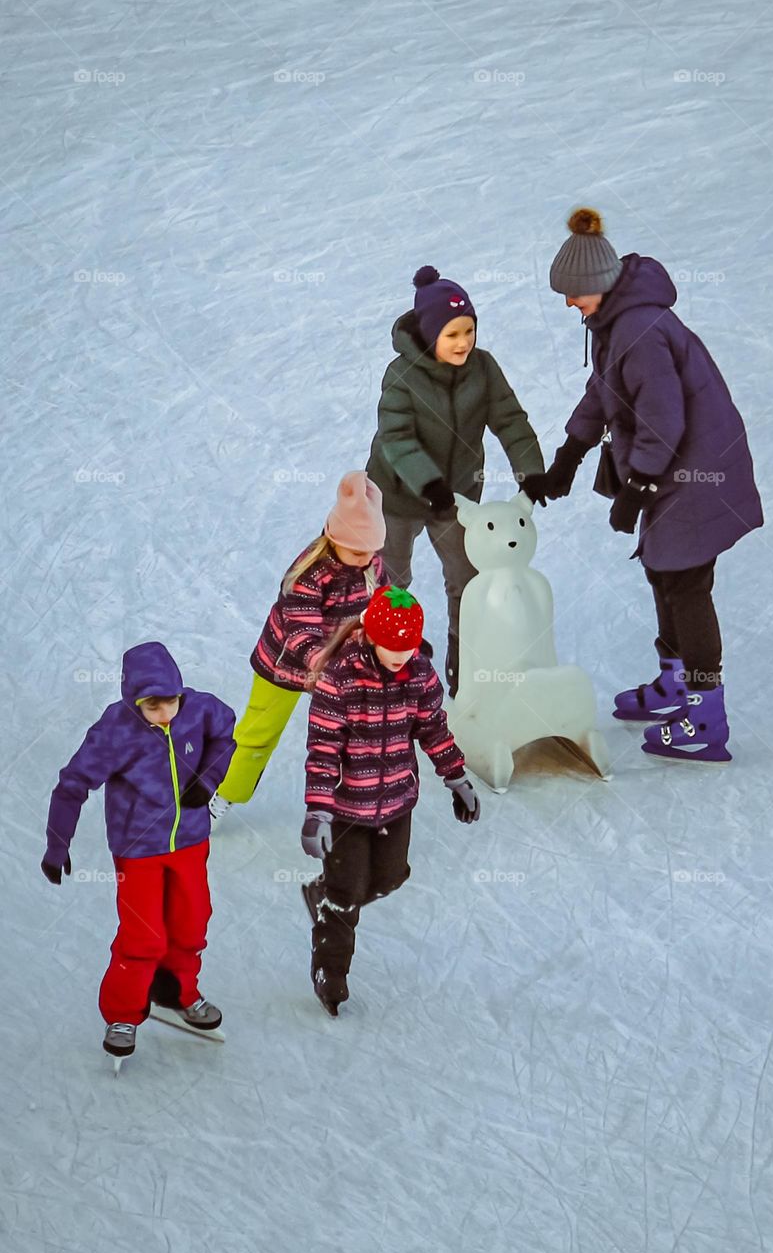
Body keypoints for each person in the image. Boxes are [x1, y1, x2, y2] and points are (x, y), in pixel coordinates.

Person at [526, 208, 763, 762]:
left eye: (573, 294)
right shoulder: (616, 322)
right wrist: (568, 457)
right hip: (676, 465)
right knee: (663, 569)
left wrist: (638, 489)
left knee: (685, 581)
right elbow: (601, 392)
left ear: (597, 287)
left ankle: (706, 716)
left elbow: (664, 420)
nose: (568, 304)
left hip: (698, 468)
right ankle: (676, 684)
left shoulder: (639, 329)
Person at [41, 641, 236, 1059]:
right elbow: (73, 785)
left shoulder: (200, 709)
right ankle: (123, 1013)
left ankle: (178, 992)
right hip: (138, 850)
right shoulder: (115, 731)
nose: (164, 714)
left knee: (191, 923)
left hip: (190, 842)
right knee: (143, 935)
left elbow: (226, 734)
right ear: (134, 701)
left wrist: (209, 777)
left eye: (170, 703)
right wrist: (58, 844)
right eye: (152, 706)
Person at [299, 584, 480, 1016]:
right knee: (346, 897)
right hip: (346, 809)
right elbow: (323, 749)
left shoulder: (419, 674)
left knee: (389, 878)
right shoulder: (340, 679)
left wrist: (456, 778)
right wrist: (318, 812)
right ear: (371, 636)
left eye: (409, 646)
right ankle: (331, 972)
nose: (402, 654)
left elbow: (433, 729)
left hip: (397, 800)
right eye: (393, 646)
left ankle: (321, 894)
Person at [366, 265, 545, 698]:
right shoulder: (401, 375)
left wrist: (532, 471)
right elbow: (396, 436)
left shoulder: (483, 369)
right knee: (392, 583)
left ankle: (466, 669)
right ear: (430, 336)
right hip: (399, 496)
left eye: (469, 330)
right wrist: (427, 483)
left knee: (468, 584)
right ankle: (385, 667)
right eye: (452, 334)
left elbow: (510, 420)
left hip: (459, 499)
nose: (463, 342)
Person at [209, 472, 388, 821]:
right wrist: (324, 663)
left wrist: (395, 630)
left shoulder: (371, 564)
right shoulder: (310, 573)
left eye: (372, 550)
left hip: (337, 666)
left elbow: (380, 604)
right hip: (283, 665)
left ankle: (351, 799)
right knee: (259, 735)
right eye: (357, 550)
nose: (367, 557)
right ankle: (223, 795)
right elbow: (301, 629)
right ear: (334, 538)